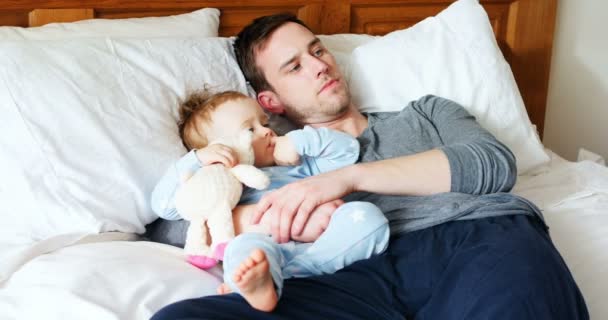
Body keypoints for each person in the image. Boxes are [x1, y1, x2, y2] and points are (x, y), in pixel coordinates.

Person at [152, 14, 589, 320]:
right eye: (295, 66)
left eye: (317, 49)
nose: (320, 65)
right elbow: (180, 223)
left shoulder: (425, 113)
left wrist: (345, 178)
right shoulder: (266, 162)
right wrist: (265, 216)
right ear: (270, 101)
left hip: (469, 242)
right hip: (337, 274)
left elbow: (493, 164)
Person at [151, 90, 389, 312]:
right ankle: (254, 283)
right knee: (242, 249)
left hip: (319, 248)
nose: (268, 132)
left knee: (369, 218)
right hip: (262, 248)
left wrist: (299, 142)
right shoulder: (221, 188)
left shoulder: (297, 166)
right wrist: (197, 160)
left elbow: (348, 151)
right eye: (249, 130)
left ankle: (294, 272)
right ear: (218, 148)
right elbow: (164, 206)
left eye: (264, 123)